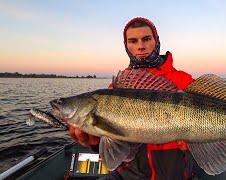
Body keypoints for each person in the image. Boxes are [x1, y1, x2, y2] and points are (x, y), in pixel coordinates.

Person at [68, 17, 195, 179]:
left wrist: (195, 143)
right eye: (133, 41)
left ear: (156, 41)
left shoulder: (184, 80)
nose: (140, 46)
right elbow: (110, 143)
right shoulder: (115, 90)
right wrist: (94, 141)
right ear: (126, 46)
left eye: (146, 39)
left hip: (173, 172)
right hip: (129, 174)